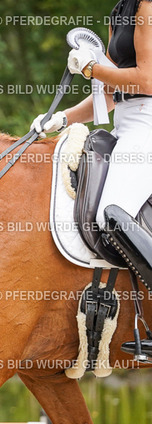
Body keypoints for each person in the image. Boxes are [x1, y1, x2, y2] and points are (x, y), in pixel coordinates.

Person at [31, 0, 152, 291]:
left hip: (147, 125)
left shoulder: (147, 6)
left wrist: (91, 68)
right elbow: (110, 93)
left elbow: (146, 80)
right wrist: (62, 118)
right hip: (125, 125)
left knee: (110, 212)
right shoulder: (120, 11)